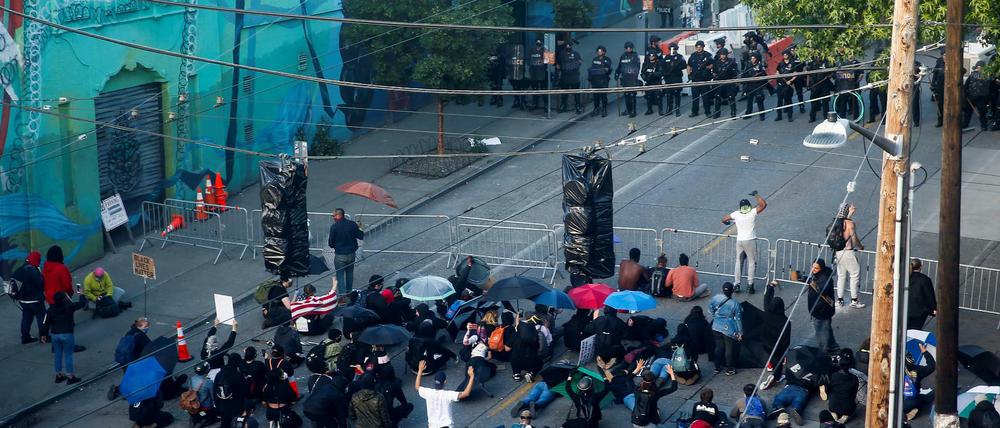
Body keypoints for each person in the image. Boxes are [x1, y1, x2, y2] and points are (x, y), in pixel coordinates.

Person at [721, 192, 767, 293]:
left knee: (738, 261)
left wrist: (727, 222)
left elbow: (724, 219)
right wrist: (756, 195)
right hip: (750, 240)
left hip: (739, 241)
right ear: (749, 206)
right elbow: (763, 205)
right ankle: (750, 285)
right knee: (751, 262)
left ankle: (737, 284)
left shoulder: (736, 214)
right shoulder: (752, 212)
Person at [40, 290, 87, 384]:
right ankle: (70, 376)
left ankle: (59, 375)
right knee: (68, 355)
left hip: (55, 334)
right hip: (67, 333)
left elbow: (45, 323)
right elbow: (81, 304)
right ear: (64, 299)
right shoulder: (69, 307)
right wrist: (82, 294)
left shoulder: (50, 310)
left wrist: (43, 335)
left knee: (58, 354)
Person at [415, 360, 475, 428]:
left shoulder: (428, 393)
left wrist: (420, 370)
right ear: (445, 381)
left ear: (434, 381)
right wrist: (472, 376)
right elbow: (466, 393)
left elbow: (417, 387)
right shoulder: (448, 395)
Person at [109, 317, 152, 400]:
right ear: (139, 326)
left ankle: (120, 390)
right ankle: (123, 391)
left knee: (130, 378)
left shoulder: (130, 332)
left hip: (124, 360)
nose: (147, 328)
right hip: (133, 360)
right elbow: (150, 347)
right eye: (145, 327)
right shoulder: (141, 336)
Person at [833, 203, 866, 308]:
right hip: (848, 252)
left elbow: (844, 221)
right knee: (854, 275)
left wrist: (850, 213)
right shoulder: (850, 224)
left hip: (838, 252)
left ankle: (840, 300)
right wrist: (860, 246)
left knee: (841, 276)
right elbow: (854, 238)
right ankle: (854, 300)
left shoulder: (837, 222)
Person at [11, 250, 46, 344]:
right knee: (41, 317)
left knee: (26, 318)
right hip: (35, 300)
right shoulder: (33, 271)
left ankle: (25, 337)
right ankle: (44, 337)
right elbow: (41, 284)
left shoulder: (20, 269)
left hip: (23, 301)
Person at [710, 282, 743, 375]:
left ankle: (717, 366)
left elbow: (711, 310)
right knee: (729, 349)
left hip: (716, 327)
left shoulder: (715, 299)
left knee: (718, 347)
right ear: (732, 291)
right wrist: (740, 332)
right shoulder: (735, 304)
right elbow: (738, 319)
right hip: (728, 329)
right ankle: (729, 369)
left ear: (722, 290)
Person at [328, 208, 363, 294]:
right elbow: (360, 236)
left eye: (334, 216)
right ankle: (349, 291)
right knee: (350, 273)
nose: (333, 217)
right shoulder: (352, 224)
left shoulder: (334, 227)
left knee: (340, 275)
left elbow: (331, 243)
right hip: (351, 254)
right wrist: (360, 227)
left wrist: (335, 245)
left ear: (339, 215)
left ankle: (343, 295)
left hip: (340, 255)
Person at [808, 258, 839, 353]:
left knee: (821, 332)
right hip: (820, 309)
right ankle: (833, 347)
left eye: (816, 268)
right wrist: (806, 279)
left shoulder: (823, 278)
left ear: (821, 269)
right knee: (826, 329)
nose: (813, 269)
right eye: (812, 267)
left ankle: (824, 351)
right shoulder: (819, 275)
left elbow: (821, 289)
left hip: (821, 310)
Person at [820, 349, 859, 424]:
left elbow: (830, 389)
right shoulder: (854, 378)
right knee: (852, 403)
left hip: (833, 404)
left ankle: (834, 415)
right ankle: (845, 416)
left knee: (833, 406)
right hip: (847, 406)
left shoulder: (834, 376)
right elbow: (854, 393)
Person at [762, 281, 790, 375]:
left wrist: (771, 287)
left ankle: (769, 363)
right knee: (778, 360)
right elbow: (786, 340)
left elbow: (766, 299)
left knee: (768, 353)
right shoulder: (785, 322)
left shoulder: (767, 313)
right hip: (778, 346)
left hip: (766, 342)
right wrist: (785, 352)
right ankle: (777, 375)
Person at [903, 343, 936, 421]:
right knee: (930, 396)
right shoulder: (916, 370)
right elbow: (931, 366)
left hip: (893, 402)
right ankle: (913, 409)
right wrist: (924, 352)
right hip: (913, 401)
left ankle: (903, 413)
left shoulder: (890, 372)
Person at [214, 353, 246, 428]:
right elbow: (242, 393)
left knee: (224, 423)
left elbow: (215, 390)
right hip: (234, 404)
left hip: (221, 403)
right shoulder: (238, 376)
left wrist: (217, 405)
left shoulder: (219, 374)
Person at [908, 258, 937, 329]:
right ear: (920, 267)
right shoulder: (925, 280)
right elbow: (929, 296)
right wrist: (933, 308)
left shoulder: (906, 277)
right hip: (920, 311)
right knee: (915, 331)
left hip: (906, 309)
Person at [687, 40, 714, 117]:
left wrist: (707, 68)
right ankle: (694, 112)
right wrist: (689, 74)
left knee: (706, 97)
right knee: (695, 98)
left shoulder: (708, 55)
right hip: (695, 79)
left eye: (700, 47)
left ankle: (708, 112)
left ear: (703, 47)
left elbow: (713, 64)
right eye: (697, 47)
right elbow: (689, 65)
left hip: (704, 79)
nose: (699, 48)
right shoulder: (693, 55)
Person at [188, 361, 218, 427]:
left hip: (194, 403)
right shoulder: (208, 382)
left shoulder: (192, 379)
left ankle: (195, 419)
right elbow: (213, 396)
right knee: (212, 413)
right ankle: (207, 421)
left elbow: (190, 390)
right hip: (206, 405)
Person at [556, 41, 583, 114]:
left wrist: (571, 66)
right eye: (567, 45)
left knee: (576, 93)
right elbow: (558, 65)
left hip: (574, 77)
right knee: (564, 93)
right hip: (565, 77)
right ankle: (563, 106)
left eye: (569, 45)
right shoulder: (561, 54)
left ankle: (578, 106)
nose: (568, 46)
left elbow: (579, 62)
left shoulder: (576, 54)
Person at [616, 41, 641, 117]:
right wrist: (617, 73)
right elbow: (620, 66)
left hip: (632, 78)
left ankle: (633, 111)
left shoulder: (635, 55)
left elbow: (637, 67)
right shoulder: (623, 56)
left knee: (632, 94)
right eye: (627, 48)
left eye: (630, 48)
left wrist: (634, 75)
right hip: (625, 78)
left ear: (632, 48)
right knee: (626, 94)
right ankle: (628, 109)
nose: (628, 49)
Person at [833, 56, 863, 120]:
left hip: (853, 87)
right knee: (843, 104)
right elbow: (836, 75)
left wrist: (856, 82)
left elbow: (861, 74)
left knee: (854, 103)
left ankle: (856, 118)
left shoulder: (856, 63)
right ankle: (843, 119)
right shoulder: (841, 63)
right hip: (843, 87)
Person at [741, 52, 768, 120]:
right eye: (751, 58)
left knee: (759, 100)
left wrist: (759, 75)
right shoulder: (748, 65)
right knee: (749, 101)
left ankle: (762, 114)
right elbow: (743, 75)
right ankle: (748, 113)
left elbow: (764, 75)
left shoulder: (760, 66)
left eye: (754, 58)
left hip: (758, 85)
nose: (752, 59)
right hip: (749, 85)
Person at [713, 48, 739, 118]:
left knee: (731, 97)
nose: (723, 56)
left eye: (724, 54)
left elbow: (735, 72)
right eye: (721, 54)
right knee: (718, 97)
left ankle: (733, 112)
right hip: (720, 82)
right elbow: (714, 73)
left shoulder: (731, 62)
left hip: (729, 82)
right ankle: (717, 112)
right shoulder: (716, 63)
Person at [965, 61, 992, 131]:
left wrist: (989, 98)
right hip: (972, 96)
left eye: (980, 67)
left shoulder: (988, 75)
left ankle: (984, 125)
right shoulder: (972, 74)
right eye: (978, 67)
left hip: (982, 97)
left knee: (982, 112)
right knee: (968, 111)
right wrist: (965, 93)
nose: (979, 69)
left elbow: (990, 87)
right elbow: (967, 85)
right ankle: (965, 123)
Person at [587, 46, 612, 117]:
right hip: (595, 80)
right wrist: (590, 77)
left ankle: (604, 109)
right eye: (598, 51)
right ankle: (596, 108)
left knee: (603, 96)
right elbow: (592, 69)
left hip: (603, 80)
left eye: (601, 51)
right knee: (596, 96)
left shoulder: (607, 60)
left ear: (604, 52)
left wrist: (605, 69)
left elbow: (608, 70)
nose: (599, 53)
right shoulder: (594, 59)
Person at [807, 56, 834, 122]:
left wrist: (828, 77)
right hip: (815, 85)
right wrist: (808, 85)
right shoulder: (812, 63)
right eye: (816, 56)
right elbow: (808, 75)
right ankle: (812, 118)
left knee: (825, 103)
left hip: (824, 85)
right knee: (814, 102)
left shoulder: (826, 62)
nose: (818, 57)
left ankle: (826, 118)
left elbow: (832, 72)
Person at [662, 43, 685, 117]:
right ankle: (669, 109)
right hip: (669, 78)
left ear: (676, 49)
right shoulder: (667, 57)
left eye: (674, 48)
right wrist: (665, 74)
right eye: (671, 48)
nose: (673, 50)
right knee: (669, 94)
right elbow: (663, 67)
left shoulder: (680, 57)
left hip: (677, 78)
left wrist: (676, 68)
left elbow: (684, 65)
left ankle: (677, 109)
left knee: (677, 94)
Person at [775, 50, 796, 122]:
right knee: (779, 102)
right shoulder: (780, 64)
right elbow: (777, 72)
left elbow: (795, 74)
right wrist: (777, 74)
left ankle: (790, 116)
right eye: (784, 55)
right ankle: (779, 116)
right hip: (780, 85)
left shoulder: (792, 64)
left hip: (788, 85)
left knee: (788, 101)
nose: (785, 56)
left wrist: (790, 81)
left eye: (786, 55)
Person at [641, 52, 665, 116]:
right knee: (648, 97)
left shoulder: (658, 63)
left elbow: (660, 73)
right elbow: (642, 72)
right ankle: (649, 109)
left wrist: (653, 74)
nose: (651, 57)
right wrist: (645, 78)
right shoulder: (646, 63)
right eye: (650, 56)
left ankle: (660, 110)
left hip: (656, 82)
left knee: (658, 97)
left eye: (653, 56)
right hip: (648, 83)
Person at [528, 40, 548, 111]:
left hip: (542, 73)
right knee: (535, 89)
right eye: (537, 43)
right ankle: (535, 104)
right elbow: (529, 61)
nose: (538, 44)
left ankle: (546, 105)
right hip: (533, 73)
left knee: (544, 89)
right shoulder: (532, 50)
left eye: (540, 43)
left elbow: (548, 61)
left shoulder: (545, 50)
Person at [930, 50, 946, 127]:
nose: (945, 57)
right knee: (940, 105)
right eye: (944, 55)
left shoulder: (952, 62)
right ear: (942, 55)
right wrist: (932, 85)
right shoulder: (939, 63)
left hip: (950, 87)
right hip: (940, 87)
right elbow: (934, 75)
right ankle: (940, 121)